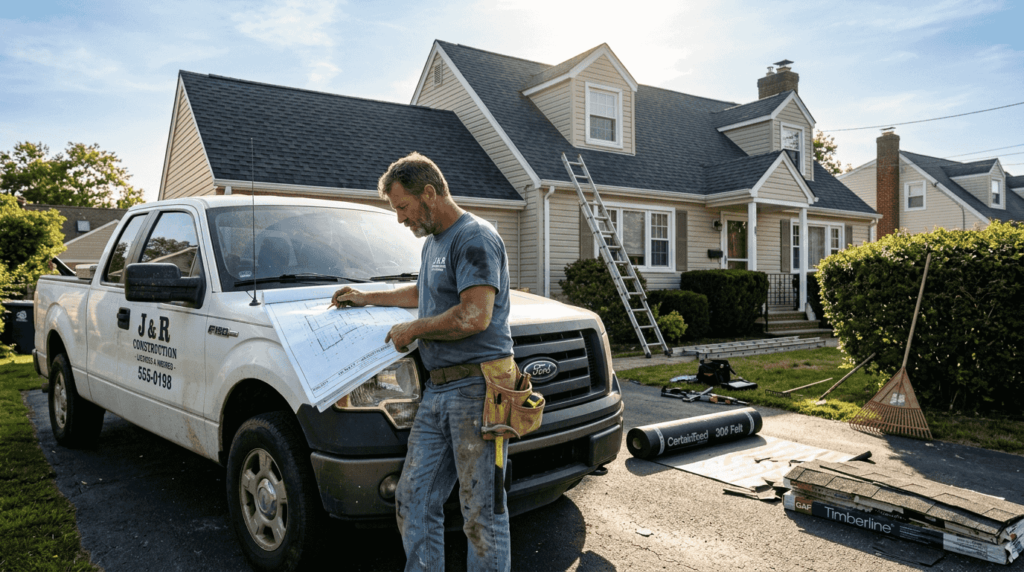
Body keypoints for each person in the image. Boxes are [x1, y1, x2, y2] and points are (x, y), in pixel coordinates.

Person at [331, 152, 513, 572]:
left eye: (402, 207)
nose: (399, 219)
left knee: (482, 512)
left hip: (479, 389)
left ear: (429, 193)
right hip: (439, 390)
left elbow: (474, 315)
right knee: (414, 497)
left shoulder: (475, 238)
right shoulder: (435, 242)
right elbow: (423, 291)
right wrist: (366, 296)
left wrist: (413, 331)